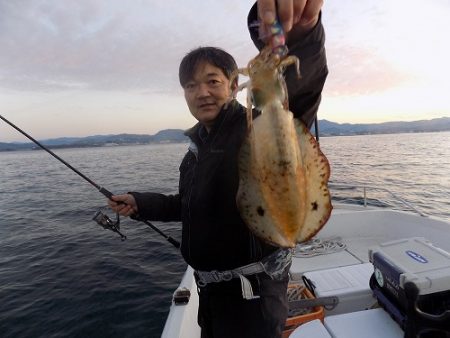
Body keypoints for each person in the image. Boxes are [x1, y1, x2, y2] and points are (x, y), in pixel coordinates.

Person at [108, 1, 327, 337]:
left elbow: (297, 96)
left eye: (212, 81)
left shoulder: (257, 126)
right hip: (213, 296)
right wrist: (142, 203)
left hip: (252, 298)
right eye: (191, 86)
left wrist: (303, 38)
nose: (202, 93)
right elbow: (190, 207)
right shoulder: (196, 151)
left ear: (232, 84)